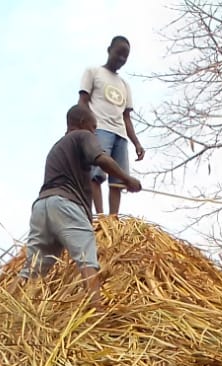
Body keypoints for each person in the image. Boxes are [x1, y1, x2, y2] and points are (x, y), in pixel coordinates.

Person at [21, 105, 141, 299]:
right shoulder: (83, 136)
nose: (94, 132)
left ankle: (2, 313)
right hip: (65, 205)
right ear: (83, 123)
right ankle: (96, 311)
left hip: (41, 208)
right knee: (87, 258)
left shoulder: (57, 147)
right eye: (94, 128)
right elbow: (101, 159)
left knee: (31, 270)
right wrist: (126, 179)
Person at [78, 35, 145, 216]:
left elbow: (126, 117)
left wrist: (136, 143)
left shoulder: (124, 85)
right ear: (109, 50)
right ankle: (100, 216)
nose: (121, 59)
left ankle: (113, 220)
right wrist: (83, 128)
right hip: (99, 129)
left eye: (125, 57)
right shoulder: (93, 72)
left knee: (118, 181)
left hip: (120, 134)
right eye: (119, 54)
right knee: (96, 174)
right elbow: (82, 102)